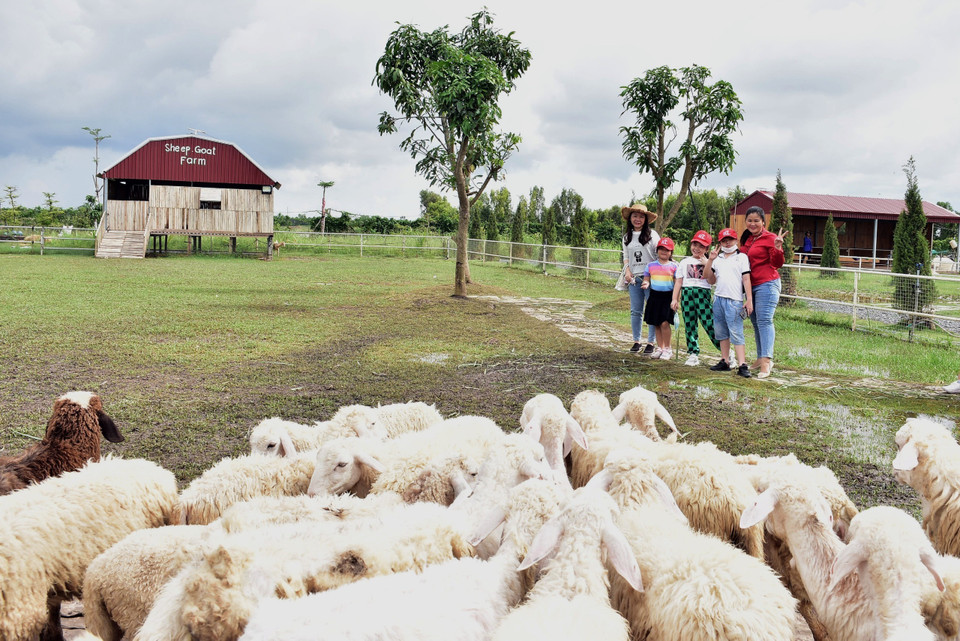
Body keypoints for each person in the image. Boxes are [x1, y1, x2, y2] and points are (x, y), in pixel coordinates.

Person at [741, 206, 786, 379]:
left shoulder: (770, 238)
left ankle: (767, 361)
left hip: (767, 283)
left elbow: (777, 263)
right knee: (755, 321)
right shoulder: (748, 240)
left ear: (763, 222)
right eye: (749, 220)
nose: (752, 224)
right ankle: (760, 358)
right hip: (751, 286)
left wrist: (778, 248)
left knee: (765, 320)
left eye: (756, 220)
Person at [705, 228, 753, 378]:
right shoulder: (717, 259)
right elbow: (709, 279)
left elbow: (746, 279)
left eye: (730, 239)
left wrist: (749, 299)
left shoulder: (742, 257)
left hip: (734, 300)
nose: (727, 243)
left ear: (735, 240)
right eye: (724, 240)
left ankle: (742, 364)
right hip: (718, 298)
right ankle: (725, 360)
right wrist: (710, 259)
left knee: (736, 332)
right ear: (719, 243)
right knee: (721, 332)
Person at [672, 230, 720, 366]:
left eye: (701, 246)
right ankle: (693, 353)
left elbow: (712, 281)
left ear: (707, 249)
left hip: (702, 294)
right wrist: (675, 299)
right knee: (689, 324)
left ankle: (726, 352)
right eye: (695, 244)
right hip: (687, 294)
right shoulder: (684, 262)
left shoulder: (711, 262)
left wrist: (708, 263)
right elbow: (679, 282)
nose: (697, 249)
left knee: (709, 323)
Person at [621, 202, 660, 354]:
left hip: (650, 278)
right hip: (634, 279)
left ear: (645, 219)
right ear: (630, 218)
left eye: (641, 216)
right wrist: (627, 270)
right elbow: (626, 257)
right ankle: (636, 341)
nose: (638, 219)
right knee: (636, 311)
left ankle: (651, 342)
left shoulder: (652, 235)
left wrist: (651, 276)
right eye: (635, 216)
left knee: (651, 310)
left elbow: (659, 256)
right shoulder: (626, 237)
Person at [640, 237, 679, 360]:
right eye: (661, 249)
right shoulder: (650, 266)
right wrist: (646, 284)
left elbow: (677, 284)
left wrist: (676, 299)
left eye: (667, 250)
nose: (664, 252)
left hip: (668, 297)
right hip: (654, 297)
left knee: (664, 323)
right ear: (657, 250)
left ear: (671, 252)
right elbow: (647, 279)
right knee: (656, 323)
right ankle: (660, 348)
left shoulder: (674, 266)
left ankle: (668, 349)